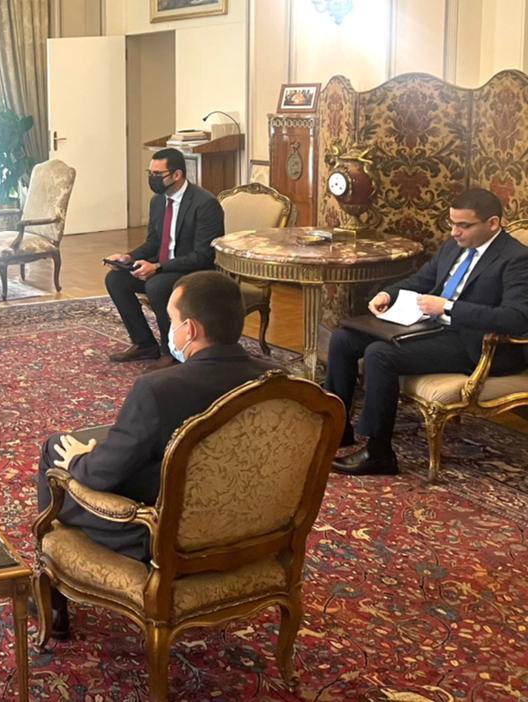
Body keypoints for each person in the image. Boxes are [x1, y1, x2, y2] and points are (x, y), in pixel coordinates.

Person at [34, 271, 275, 638]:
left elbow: (101, 476)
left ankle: (52, 599)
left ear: (190, 330)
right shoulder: (279, 381)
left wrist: (80, 460)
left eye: (171, 320)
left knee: (56, 452)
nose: (169, 330)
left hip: (168, 536)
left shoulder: (158, 390)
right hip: (256, 524)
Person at [325, 188, 528, 476]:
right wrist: (388, 293)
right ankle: (337, 428)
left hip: (474, 343)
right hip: (431, 326)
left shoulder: (517, 258)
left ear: (493, 223)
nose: (454, 232)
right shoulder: (453, 246)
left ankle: (379, 453)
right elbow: (421, 279)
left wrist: (449, 307)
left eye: (464, 225)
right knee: (344, 338)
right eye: (452, 223)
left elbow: (517, 318)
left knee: (379, 354)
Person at [103, 147, 225, 368]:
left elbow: (204, 255)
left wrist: (158, 267)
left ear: (177, 175)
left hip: (192, 272)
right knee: (116, 279)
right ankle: (144, 344)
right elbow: (153, 242)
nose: (152, 179)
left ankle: (170, 352)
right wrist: (128, 257)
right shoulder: (158, 201)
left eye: (157, 174)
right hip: (162, 267)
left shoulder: (205, 204)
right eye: (150, 173)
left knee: (157, 286)